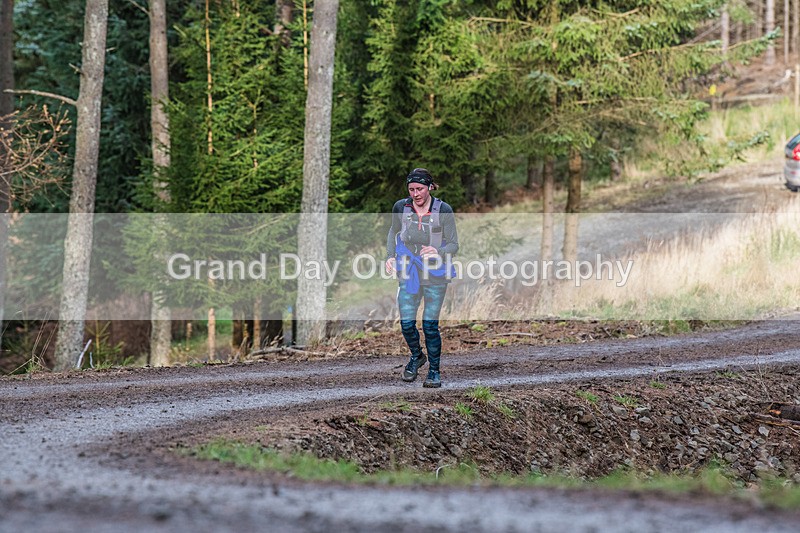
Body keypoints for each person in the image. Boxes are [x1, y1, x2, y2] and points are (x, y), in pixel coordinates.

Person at [385, 168, 458, 388]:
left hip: (436, 273)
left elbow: (454, 244)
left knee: (429, 325)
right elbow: (393, 231)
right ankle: (417, 356)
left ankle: (434, 371)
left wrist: (439, 251)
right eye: (411, 189)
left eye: (419, 188)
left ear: (429, 187)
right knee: (407, 323)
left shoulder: (443, 209)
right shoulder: (401, 207)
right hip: (408, 269)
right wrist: (390, 257)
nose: (415, 193)